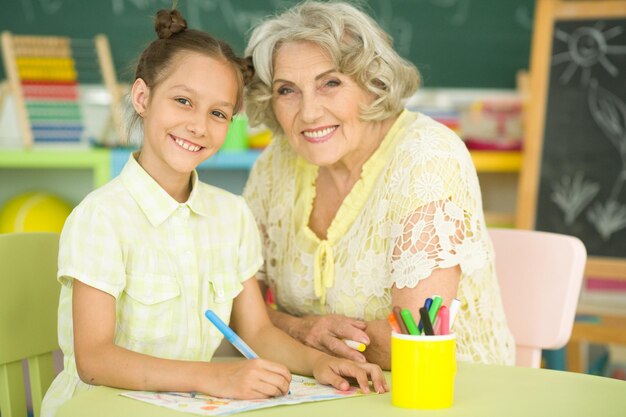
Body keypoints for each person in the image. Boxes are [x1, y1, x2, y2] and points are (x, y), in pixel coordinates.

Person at [41, 8, 387, 416]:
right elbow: (95, 361)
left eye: (218, 113)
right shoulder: (101, 218)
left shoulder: (230, 215)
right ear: (142, 98)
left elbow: (256, 330)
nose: (198, 126)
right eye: (183, 101)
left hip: (185, 407)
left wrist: (318, 363)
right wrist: (216, 378)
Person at [242, 0, 515, 370]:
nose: (308, 112)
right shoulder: (275, 164)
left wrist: (274, 329)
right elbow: (236, 309)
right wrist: (301, 329)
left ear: (373, 83)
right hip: (319, 387)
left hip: (443, 391)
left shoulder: (426, 159)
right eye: (286, 90)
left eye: (331, 83)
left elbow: (413, 344)